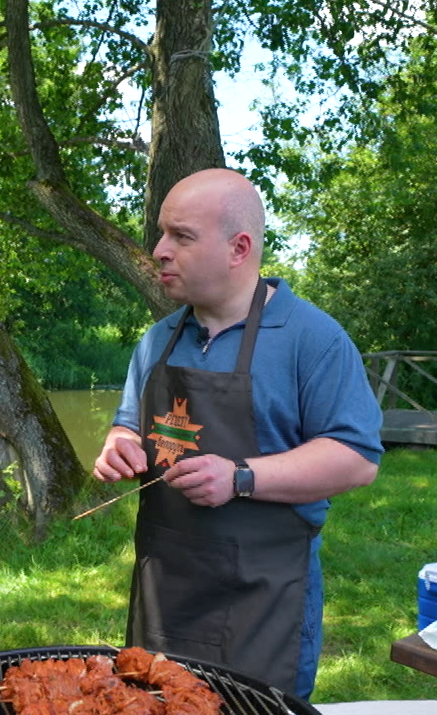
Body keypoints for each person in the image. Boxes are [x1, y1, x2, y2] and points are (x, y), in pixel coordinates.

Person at [92, 168, 383, 700]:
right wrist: (118, 446)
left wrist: (241, 477)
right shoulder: (157, 340)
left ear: (238, 247)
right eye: (161, 233)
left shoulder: (312, 339)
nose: (159, 250)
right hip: (164, 596)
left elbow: (356, 457)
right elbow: (126, 424)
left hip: (263, 603)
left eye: (181, 236)